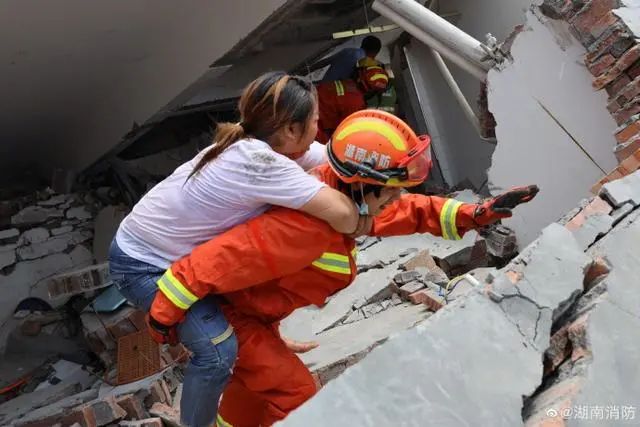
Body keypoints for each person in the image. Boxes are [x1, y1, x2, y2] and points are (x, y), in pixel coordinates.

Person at [147, 110, 539, 426]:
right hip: (237, 319)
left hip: (258, 317)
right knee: (295, 394)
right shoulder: (303, 225)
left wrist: (475, 214)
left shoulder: (344, 205)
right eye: (391, 191)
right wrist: (163, 318)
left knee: (251, 391)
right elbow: (214, 260)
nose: (397, 199)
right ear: (362, 184)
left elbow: (410, 211)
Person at [108, 71, 366, 427]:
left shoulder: (260, 145)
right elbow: (343, 214)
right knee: (217, 351)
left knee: (242, 345)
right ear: (291, 129)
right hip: (142, 264)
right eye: (315, 122)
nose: (318, 129)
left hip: (171, 257)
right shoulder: (259, 163)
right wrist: (371, 210)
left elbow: (335, 161)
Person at [315, 61, 389, 143]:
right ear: (372, 91)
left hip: (311, 108)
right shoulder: (356, 103)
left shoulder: (347, 83)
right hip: (316, 126)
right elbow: (345, 132)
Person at [311, 35, 382, 82]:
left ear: (362, 44)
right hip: (337, 97)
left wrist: (307, 70)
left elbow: (324, 62)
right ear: (375, 53)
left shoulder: (347, 51)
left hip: (322, 88)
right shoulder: (367, 66)